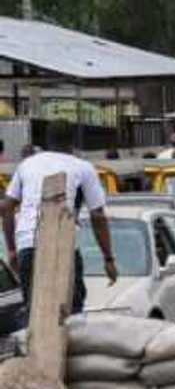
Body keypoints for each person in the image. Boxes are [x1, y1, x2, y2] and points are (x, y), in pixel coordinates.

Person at [0, 121, 117, 319]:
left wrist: (12, 250)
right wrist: (108, 258)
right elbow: (97, 215)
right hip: (64, 246)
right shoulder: (83, 168)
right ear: (73, 142)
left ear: (46, 141)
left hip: (28, 245)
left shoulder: (27, 165)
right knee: (71, 311)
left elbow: (6, 207)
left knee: (35, 311)